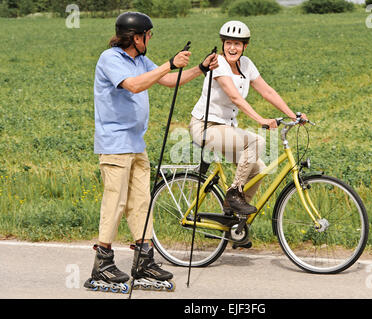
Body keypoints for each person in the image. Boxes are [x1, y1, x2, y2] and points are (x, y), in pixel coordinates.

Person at [84, 12, 218, 293]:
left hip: (136, 144)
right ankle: (103, 263)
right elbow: (134, 86)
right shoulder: (109, 59)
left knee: (141, 204)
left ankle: (143, 261)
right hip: (114, 145)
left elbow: (167, 81)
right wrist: (169, 63)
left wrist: (200, 68)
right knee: (116, 202)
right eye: (148, 35)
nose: (151, 39)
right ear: (136, 37)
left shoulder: (140, 60)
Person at [189, 20, 307, 216]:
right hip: (205, 127)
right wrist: (260, 120)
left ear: (245, 46)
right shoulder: (218, 64)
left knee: (258, 169)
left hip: (226, 128)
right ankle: (234, 194)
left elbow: (267, 91)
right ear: (223, 44)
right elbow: (234, 96)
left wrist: (292, 114)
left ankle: (234, 221)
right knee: (255, 141)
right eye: (228, 43)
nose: (232, 48)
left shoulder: (246, 64)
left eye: (237, 44)